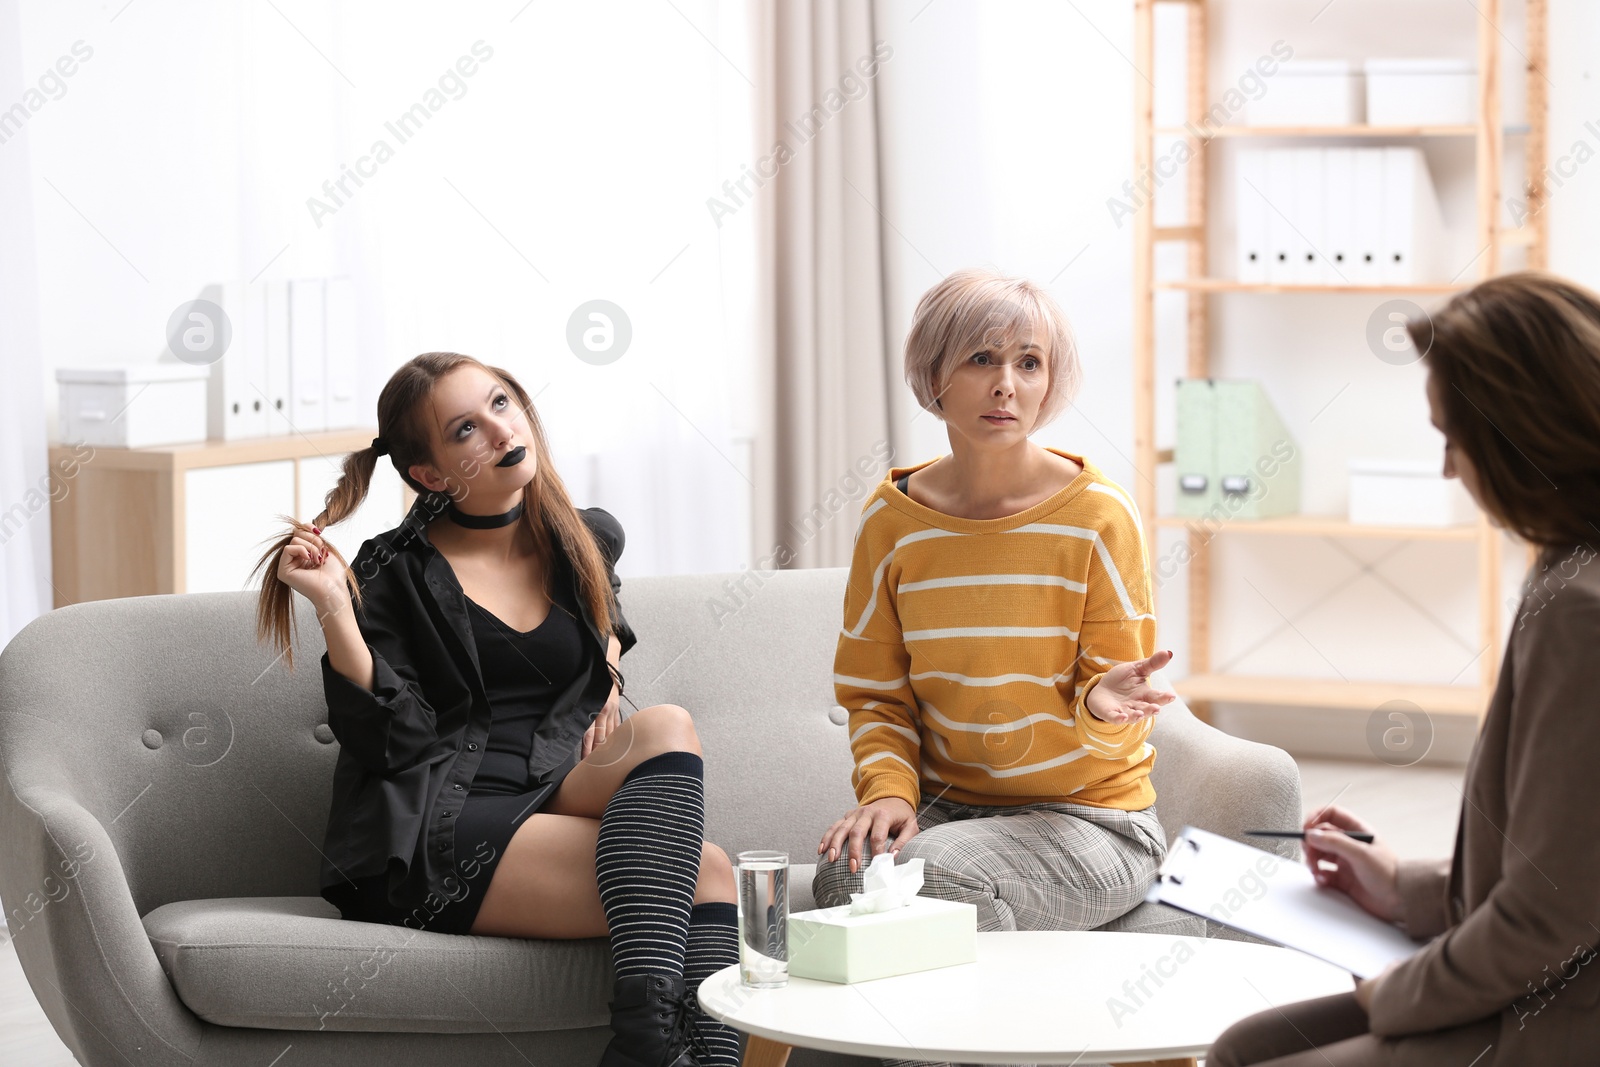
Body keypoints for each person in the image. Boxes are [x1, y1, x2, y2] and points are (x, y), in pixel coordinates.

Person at [255, 352, 740, 1067]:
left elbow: (606, 619)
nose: (499, 429)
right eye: (464, 430)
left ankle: (654, 1049)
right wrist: (335, 608)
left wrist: (606, 668)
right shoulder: (393, 571)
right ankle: (647, 1044)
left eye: (502, 404)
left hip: (547, 779)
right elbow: (398, 742)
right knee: (710, 872)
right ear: (430, 474)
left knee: (668, 723)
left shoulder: (581, 538)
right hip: (443, 817)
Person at [1208, 271, 1600, 1066]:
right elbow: (1570, 855)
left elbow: (1550, 920)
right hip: (1547, 980)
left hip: (1557, 1017)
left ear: (1521, 435)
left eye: (1453, 439)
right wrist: (1404, 885)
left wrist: (1391, 992)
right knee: (1247, 1042)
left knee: (1253, 1057)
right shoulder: (1566, 562)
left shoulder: (1579, 610)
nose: (1450, 470)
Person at [812, 268, 1176, 1067]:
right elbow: (876, 693)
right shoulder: (892, 519)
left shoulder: (1097, 514)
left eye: (1030, 363)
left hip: (1092, 822)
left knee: (934, 881)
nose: (1006, 385)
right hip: (950, 809)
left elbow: (1121, 709)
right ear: (934, 376)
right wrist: (890, 793)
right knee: (838, 883)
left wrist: (1103, 707)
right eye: (981, 358)